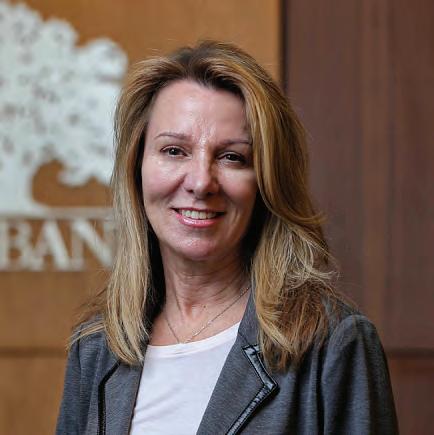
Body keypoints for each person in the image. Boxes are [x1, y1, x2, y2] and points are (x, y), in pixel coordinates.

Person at [56, 40, 398, 435]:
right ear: (137, 168)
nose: (201, 182)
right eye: (174, 150)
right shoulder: (97, 347)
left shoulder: (334, 344)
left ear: (266, 182)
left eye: (232, 157)